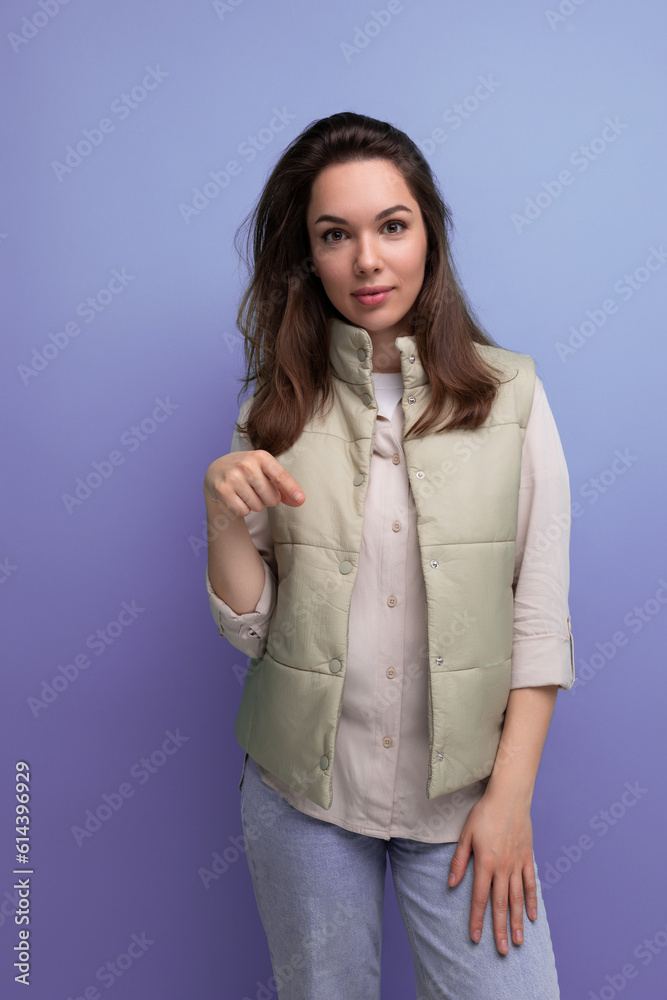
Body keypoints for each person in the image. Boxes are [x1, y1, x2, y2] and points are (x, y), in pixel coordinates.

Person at [202, 111, 575, 999]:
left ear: (428, 235)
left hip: (463, 804)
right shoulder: (272, 415)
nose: (366, 260)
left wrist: (509, 801)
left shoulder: (510, 395)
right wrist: (219, 515)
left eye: (391, 226)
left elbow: (538, 615)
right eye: (335, 235)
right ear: (308, 258)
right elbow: (252, 633)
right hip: (302, 802)